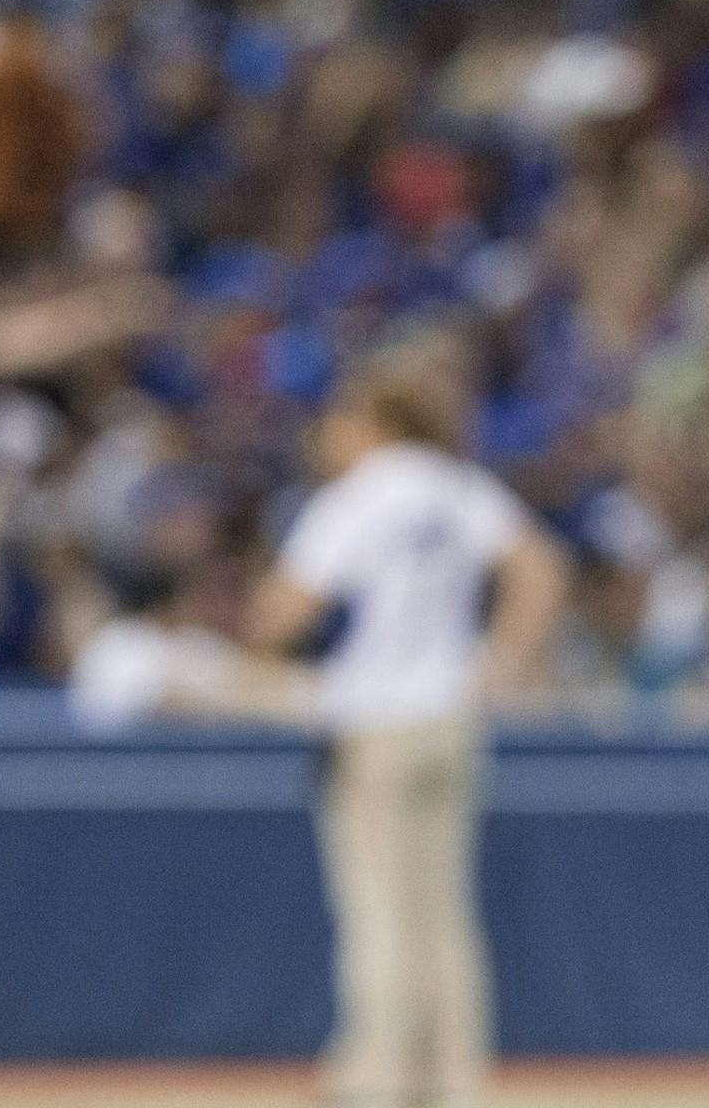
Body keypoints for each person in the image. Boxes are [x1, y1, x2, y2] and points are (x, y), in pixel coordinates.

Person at [245, 352, 571, 1108]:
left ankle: (380, 1079)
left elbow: (279, 615)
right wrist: (504, 658)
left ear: (372, 422)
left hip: (375, 722)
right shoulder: (457, 487)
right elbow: (541, 567)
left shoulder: (357, 496)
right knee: (445, 912)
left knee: (378, 909)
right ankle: (456, 1082)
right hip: (450, 715)